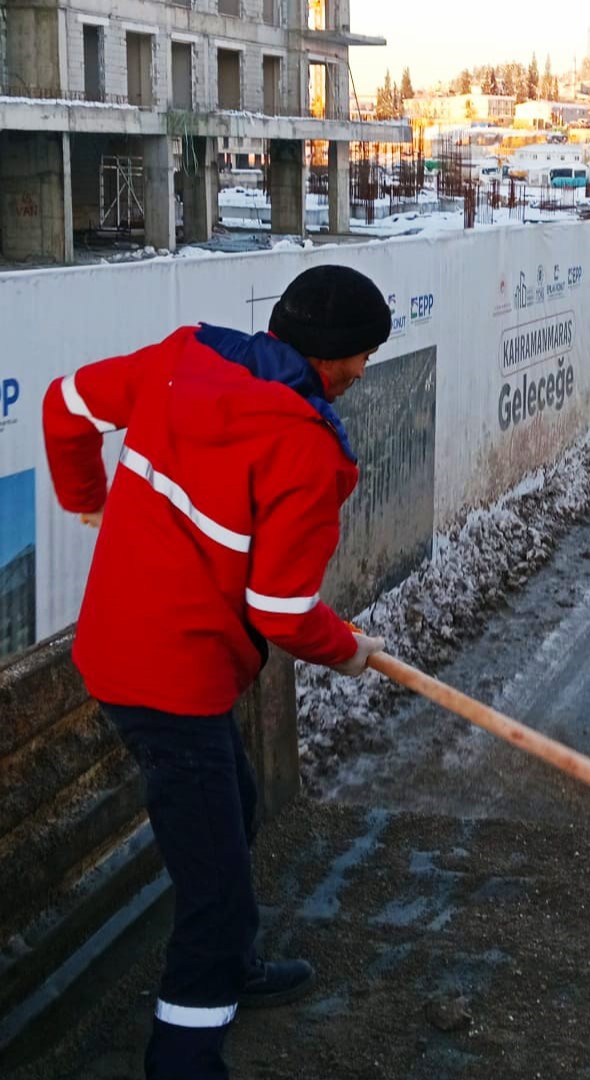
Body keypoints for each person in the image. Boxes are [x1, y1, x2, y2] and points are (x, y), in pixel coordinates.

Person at [41, 264, 390, 1080]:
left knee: (236, 805)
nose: (363, 370)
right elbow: (280, 610)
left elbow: (63, 405)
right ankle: (185, 1058)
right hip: (172, 682)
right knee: (214, 895)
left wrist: (86, 496)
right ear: (330, 357)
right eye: (362, 354)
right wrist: (349, 650)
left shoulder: (184, 357)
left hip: (120, 648)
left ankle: (233, 966)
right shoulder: (308, 452)